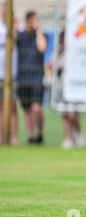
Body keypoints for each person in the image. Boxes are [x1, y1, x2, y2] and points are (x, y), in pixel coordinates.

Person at [16, 10, 48, 145]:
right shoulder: (20, 36)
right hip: (23, 77)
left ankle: (39, 134)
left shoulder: (40, 35)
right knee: (27, 109)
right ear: (28, 21)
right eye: (34, 20)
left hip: (37, 77)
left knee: (37, 108)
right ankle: (30, 136)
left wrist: (38, 30)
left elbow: (42, 48)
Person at [54, 30, 86, 149]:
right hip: (61, 86)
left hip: (73, 87)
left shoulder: (76, 52)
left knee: (73, 114)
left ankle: (79, 134)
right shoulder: (58, 53)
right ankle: (68, 139)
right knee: (65, 114)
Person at [0, 2, 19, 146]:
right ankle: (1, 138)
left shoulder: (14, 27)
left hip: (11, 75)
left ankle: (14, 138)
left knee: (12, 107)